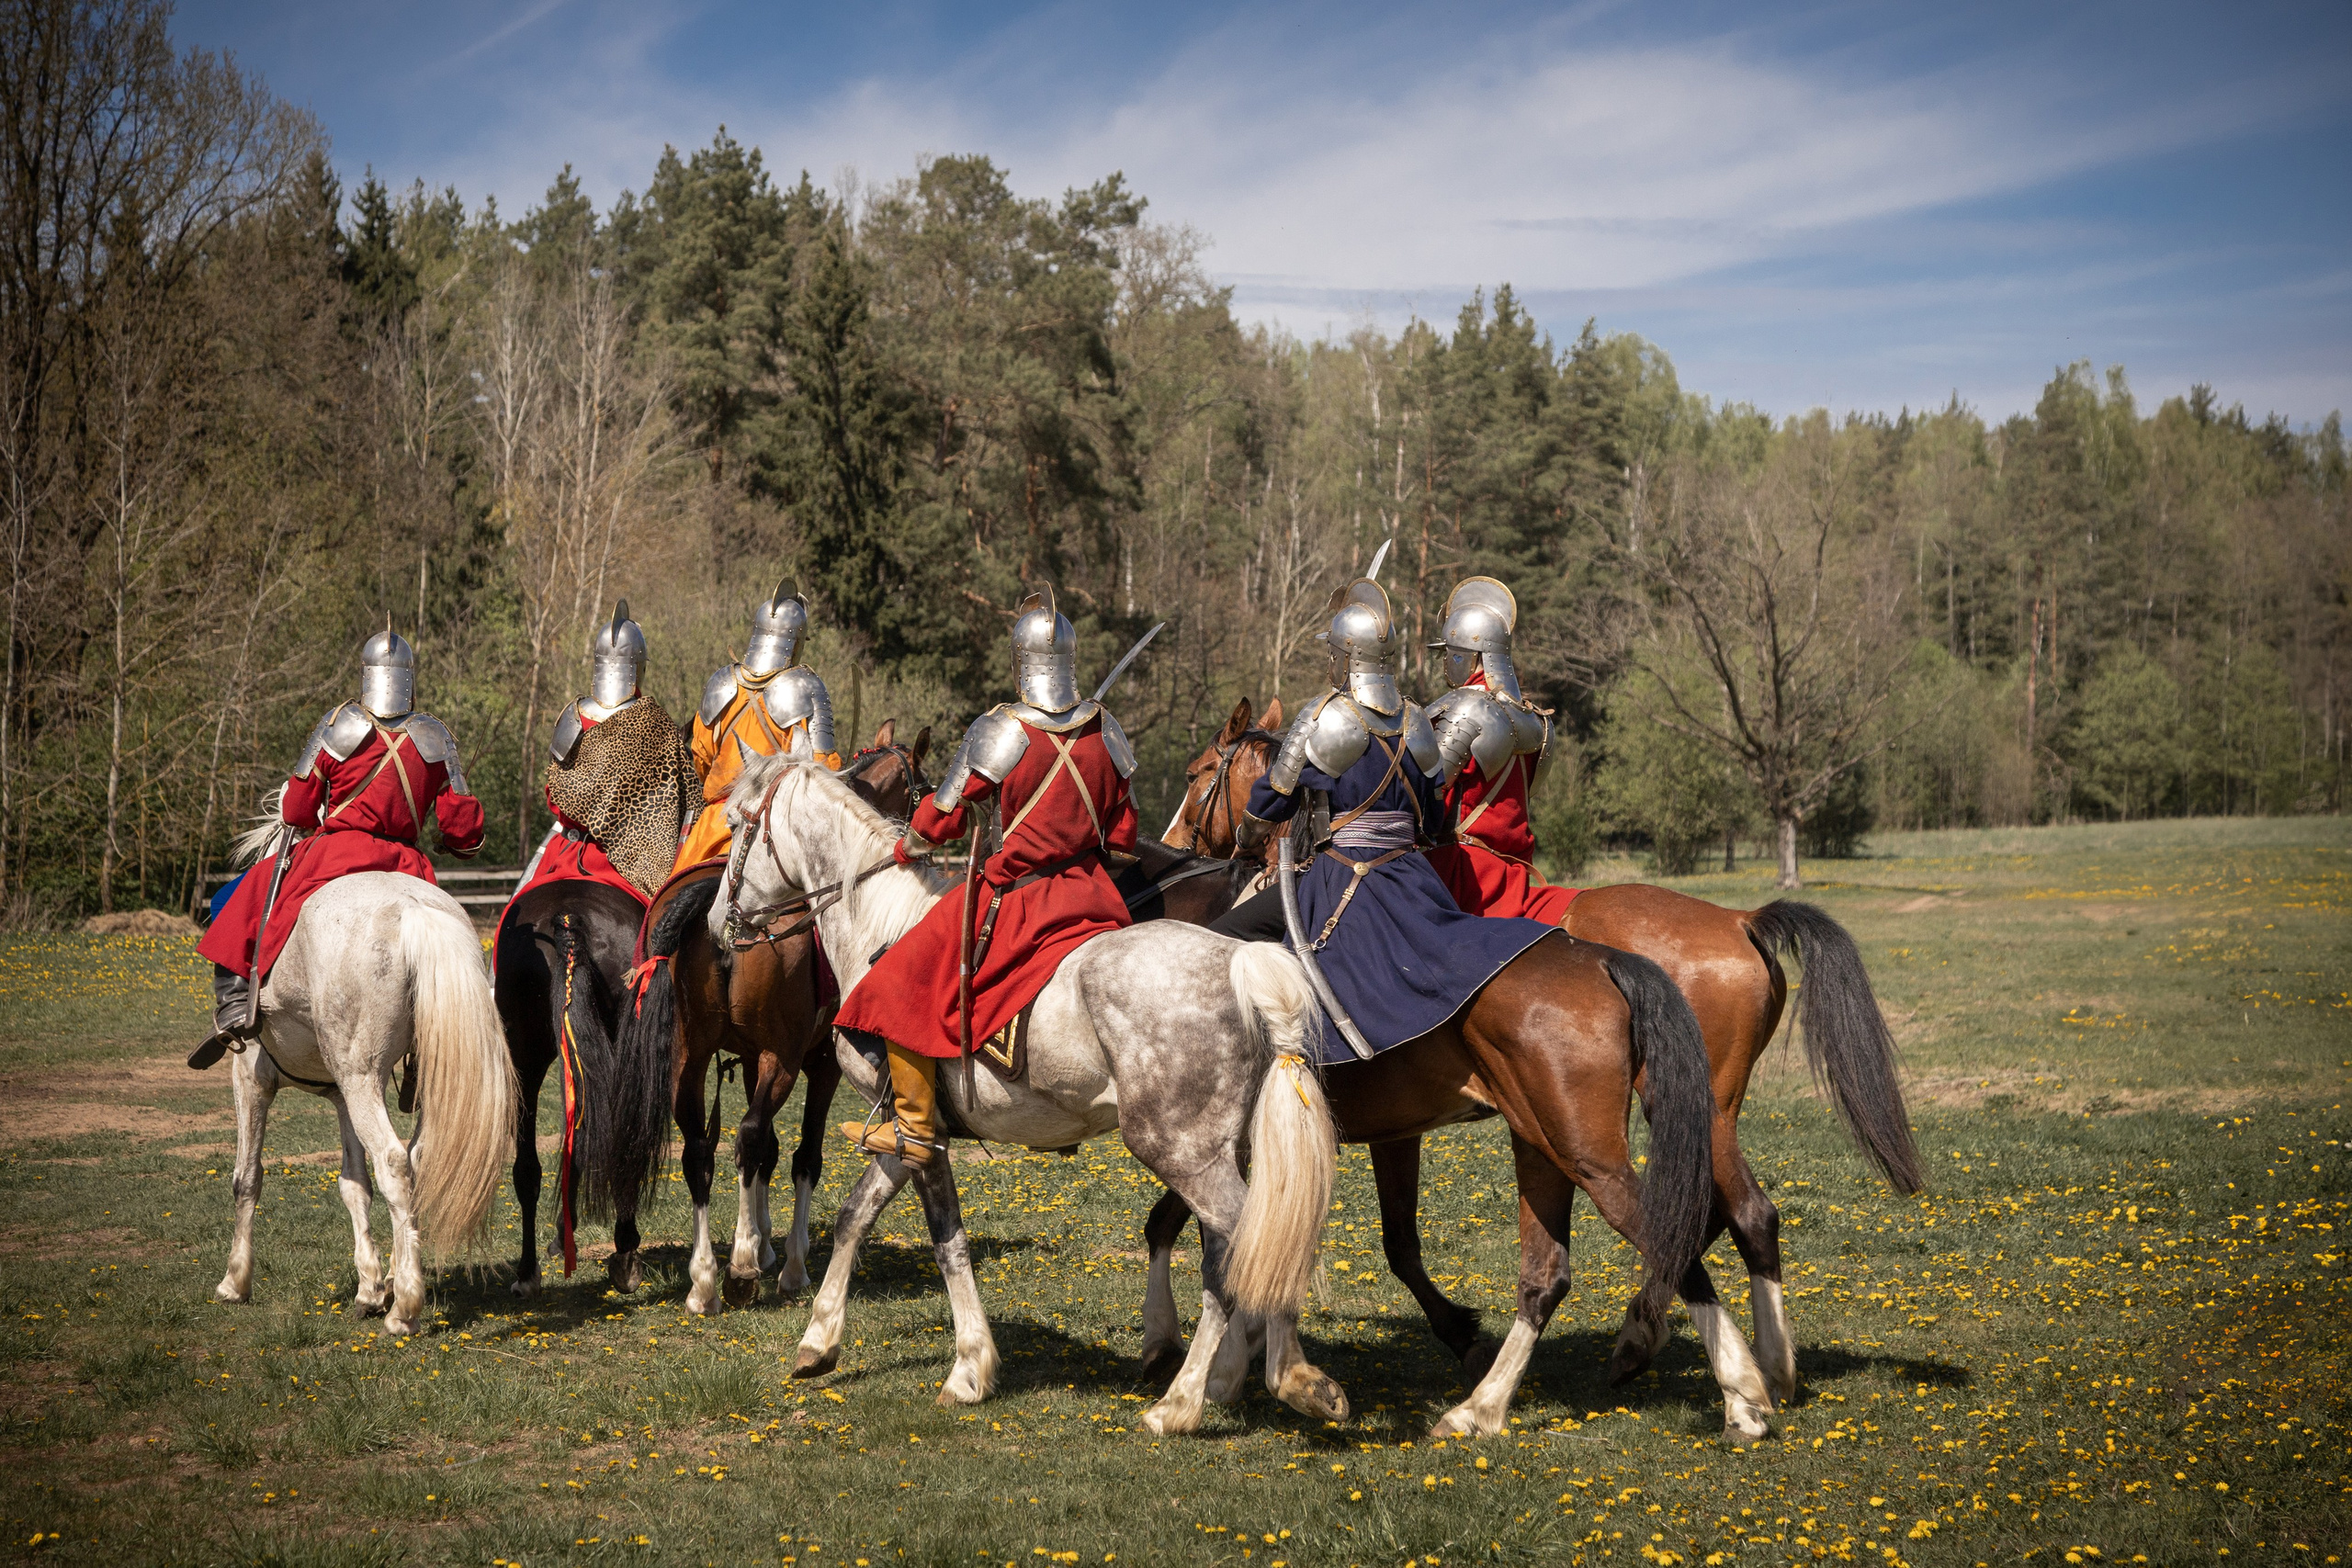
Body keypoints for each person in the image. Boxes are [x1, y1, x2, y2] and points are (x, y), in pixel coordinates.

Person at [831, 590, 1139, 1165]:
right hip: (1097, 897)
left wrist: (908, 845)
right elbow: (1122, 836)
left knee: (899, 976)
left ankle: (914, 1125)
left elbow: (942, 818)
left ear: (1020, 661)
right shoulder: (1107, 730)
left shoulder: (1003, 729)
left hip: (1019, 896)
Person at [1212, 577, 1553, 1059]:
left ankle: (1255, 1057)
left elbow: (1272, 799)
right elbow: (1432, 820)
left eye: (1332, 653)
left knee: (1223, 937)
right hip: (1412, 877)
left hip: (1339, 875)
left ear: (1345, 658)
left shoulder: (1324, 715)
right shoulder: (1416, 721)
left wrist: (1247, 835)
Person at [193, 625, 483, 1063]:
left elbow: (296, 811)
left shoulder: (340, 724)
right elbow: (464, 828)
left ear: (366, 675)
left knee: (245, 893)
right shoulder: (435, 735)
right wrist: (454, 842)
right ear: (410, 679)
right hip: (406, 864)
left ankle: (234, 1002)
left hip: (337, 853)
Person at [512, 601, 695, 908]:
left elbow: (553, 796)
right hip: (630, 867)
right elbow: (676, 805)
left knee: (515, 913)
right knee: (666, 926)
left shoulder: (573, 716)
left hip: (567, 854)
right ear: (638, 667)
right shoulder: (656, 725)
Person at [1421, 576, 1578, 925]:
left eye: (1448, 653)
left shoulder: (1466, 708)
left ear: (1468, 655)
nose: (1445, 662)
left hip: (1463, 875)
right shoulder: (1534, 718)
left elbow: (1424, 794)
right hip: (1514, 869)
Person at [674, 582, 841, 870]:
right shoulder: (807, 687)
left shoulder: (721, 682)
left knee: (671, 894)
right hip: (772, 831)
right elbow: (824, 771)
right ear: (796, 642)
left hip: (714, 826)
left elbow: (701, 758)